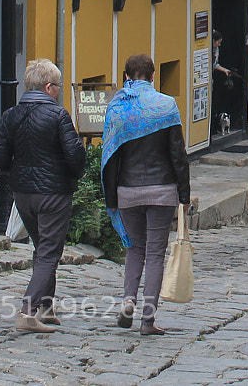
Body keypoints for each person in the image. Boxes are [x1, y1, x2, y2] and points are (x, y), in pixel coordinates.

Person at [0, 58, 86, 333]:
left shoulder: (10, 115)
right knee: (48, 253)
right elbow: (75, 156)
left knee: (41, 247)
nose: (59, 91)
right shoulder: (58, 116)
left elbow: (0, 158)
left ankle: (45, 307)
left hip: (23, 195)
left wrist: (16, 176)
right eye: (57, 85)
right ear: (48, 87)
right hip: (54, 193)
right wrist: (73, 176)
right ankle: (27, 311)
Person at [101, 54, 190, 337]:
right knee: (154, 255)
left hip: (127, 190)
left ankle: (128, 299)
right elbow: (178, 156)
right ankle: (147, 320)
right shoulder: (166, 106)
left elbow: (110, 156)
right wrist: (184, 196)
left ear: (127, 76)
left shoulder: (117, 109)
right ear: (153, 76)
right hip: (162, 191)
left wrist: (112, 198)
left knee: (135, 249)